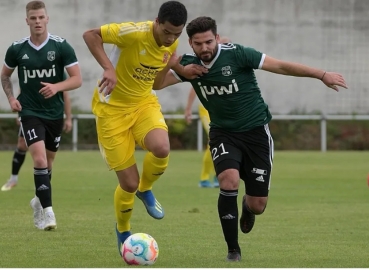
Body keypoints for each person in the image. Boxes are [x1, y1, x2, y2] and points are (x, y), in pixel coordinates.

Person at [152, 16, 347, 261]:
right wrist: (173, 65)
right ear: (190, 43)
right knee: (228, 179)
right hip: (223, 132)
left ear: (217, 39)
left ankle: (247, 206)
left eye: (209, 42)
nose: (205, 48)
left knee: (258, 205)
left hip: (256, 133)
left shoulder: (238, 54)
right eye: (198, 44)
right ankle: (233, 250)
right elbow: (157, 84)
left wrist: (322, 74)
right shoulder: (189, 65)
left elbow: (281, 66)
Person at [82, 0, 206, 257]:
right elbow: (90, 35)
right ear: (157, 22)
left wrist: (181, 72)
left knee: (161, 147)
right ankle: (123, 228)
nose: (170, 38)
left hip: (143, 104)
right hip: (111, 111)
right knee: (128, 183)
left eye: (177, 34)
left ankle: (146, 189)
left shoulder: (171, 43)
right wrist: (108, 68)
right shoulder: (133, 32)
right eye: (167, 32)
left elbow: (157, 82)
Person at [1, 1, 82, 231]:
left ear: (47, 19)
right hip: (30, 112)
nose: (37, 21)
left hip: (54, 113)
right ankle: (48, 212)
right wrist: (11, 99)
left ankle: (38, 201)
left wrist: (57, 87)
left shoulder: (60, 46)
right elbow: (4, 76)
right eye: (33, 18)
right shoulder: (17, 49)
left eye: (41, 17)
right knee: (39, 160)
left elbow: (76, 80)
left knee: (48, 164)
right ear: (27, 20)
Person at [1, 89, 73, 192]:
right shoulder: (29, 74)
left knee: (47, 156)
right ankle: (13, 179)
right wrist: (19, 112)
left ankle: (41, 190)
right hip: (31, 114)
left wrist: (68, 118)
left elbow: (65, 93)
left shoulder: (58, 74)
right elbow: (23, 90)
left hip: (51, 116)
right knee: (22, 144)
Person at [185, 36, 231, 188]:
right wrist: (188, 109)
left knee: (226, 142)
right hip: (206, 110)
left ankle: (220, 176)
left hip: (220, 109)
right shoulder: (205, 67)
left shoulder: (229, 67)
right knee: (213, 142)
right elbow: (194, 88)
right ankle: (205, 179)